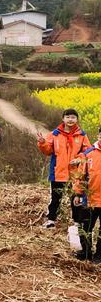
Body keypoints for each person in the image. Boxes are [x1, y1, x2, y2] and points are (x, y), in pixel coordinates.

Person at [38, 108, 91, 229]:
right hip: (58, 172)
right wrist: (42, 143)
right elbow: (48, 150)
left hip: (75, 174)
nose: (70, 120)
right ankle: (51, 220)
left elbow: (87, 151)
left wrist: (79, 158)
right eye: (68, 117)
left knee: (76, 197)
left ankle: (77, 222)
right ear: (63, 119)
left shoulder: (82, 135)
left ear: (77, 119)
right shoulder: (55, 134)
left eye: (73, 117)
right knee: (55, 197)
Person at [72, 128, 101, 262]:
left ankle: (99, 255)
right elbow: (80, 175)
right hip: (90, 198)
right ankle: (86, 252)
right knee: (85, 227)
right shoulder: (88, 154)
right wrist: (78, 193)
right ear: (98, 135)